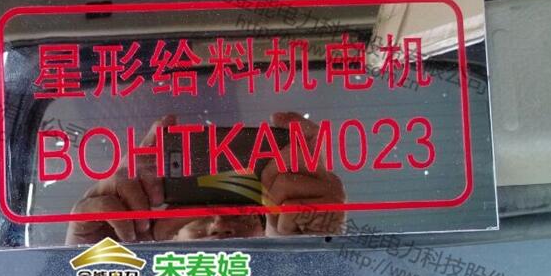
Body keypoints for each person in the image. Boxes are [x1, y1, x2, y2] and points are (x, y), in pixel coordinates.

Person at [65, 112, 346, 245]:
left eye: (241, 211)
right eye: (199, 209)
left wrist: (315, 252)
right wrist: (91, 265)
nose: (220, 224)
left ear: (270, 228)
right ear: (164, 232)